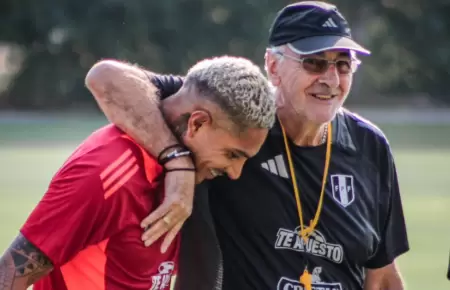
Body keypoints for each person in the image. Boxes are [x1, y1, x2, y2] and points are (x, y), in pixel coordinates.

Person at [89, 2, 410, 289]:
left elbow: (381, 276)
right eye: (314, 63)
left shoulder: (371, 146)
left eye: (343, 64)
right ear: (272, 66)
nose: (331, 78)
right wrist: (178, 162)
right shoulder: (230, 117)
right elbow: (107, 78)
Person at [0, 55, 276, 290]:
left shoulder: (191, 169)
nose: (235, 172)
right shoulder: (107, 172)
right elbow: (10, 274)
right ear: (197, 123)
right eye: (232, 155)